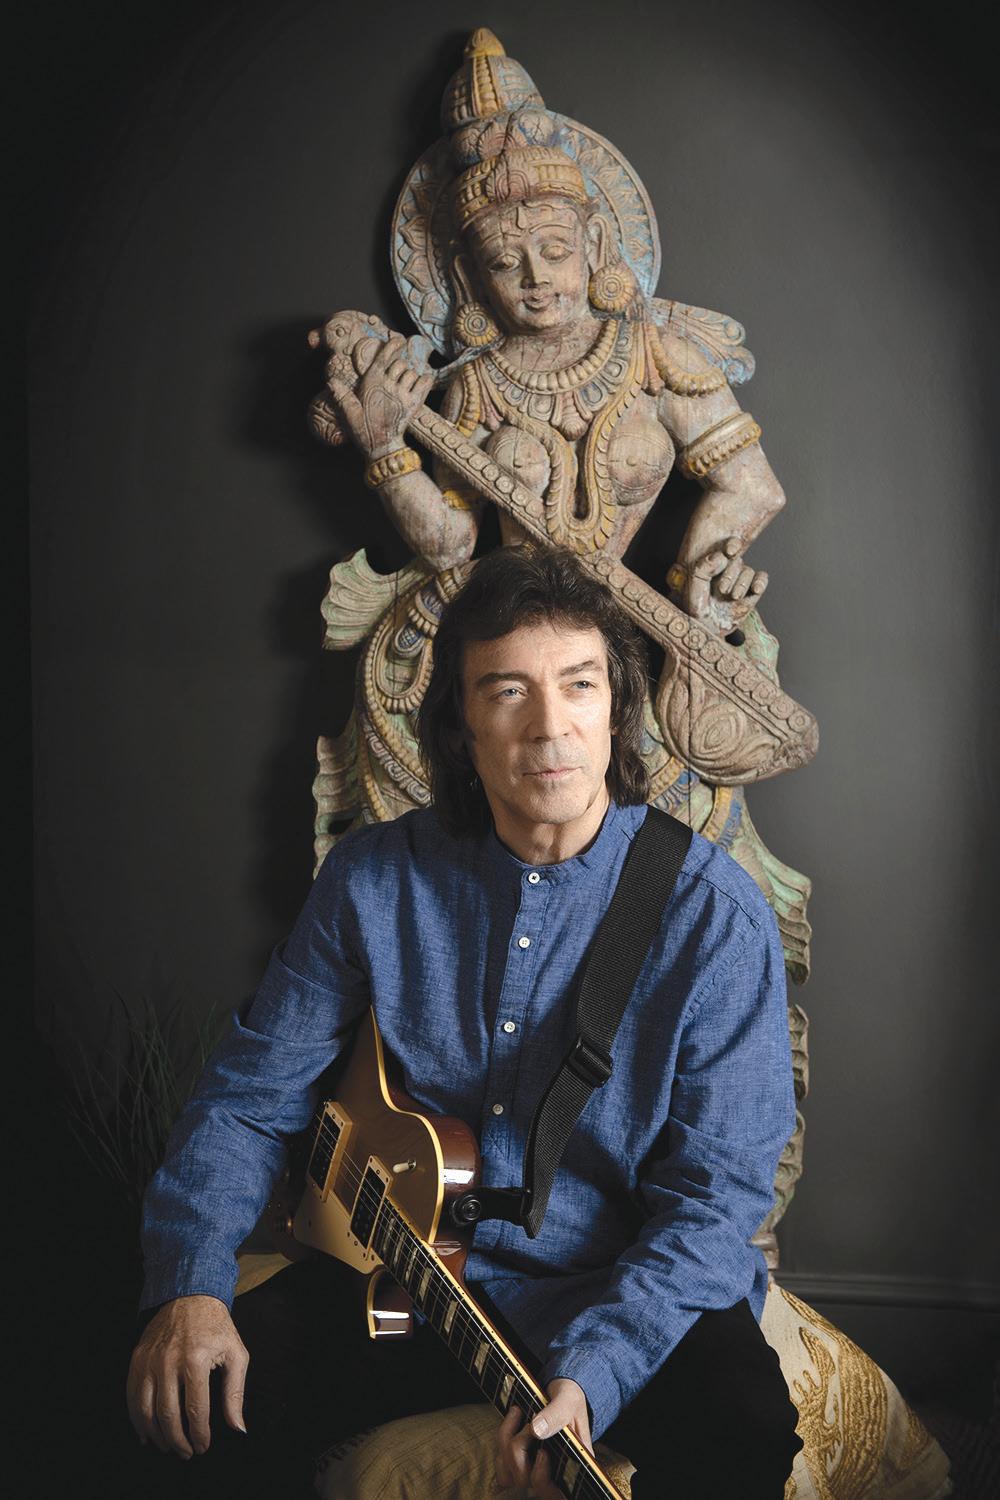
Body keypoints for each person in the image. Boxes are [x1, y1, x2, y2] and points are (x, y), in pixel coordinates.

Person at [128, 545, 803, 1499]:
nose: (550, 727)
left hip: (614, 1284)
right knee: (198, 1404)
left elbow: (716, 1202)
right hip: (406, 1273)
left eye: (579, 684)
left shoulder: (715, 918)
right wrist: (192, 1284)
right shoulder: (371, 879)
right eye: (507, 691)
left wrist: (595, 1373)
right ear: (460, 725)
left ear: (616, 708)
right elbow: (248, 1099)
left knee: (746, 1430)